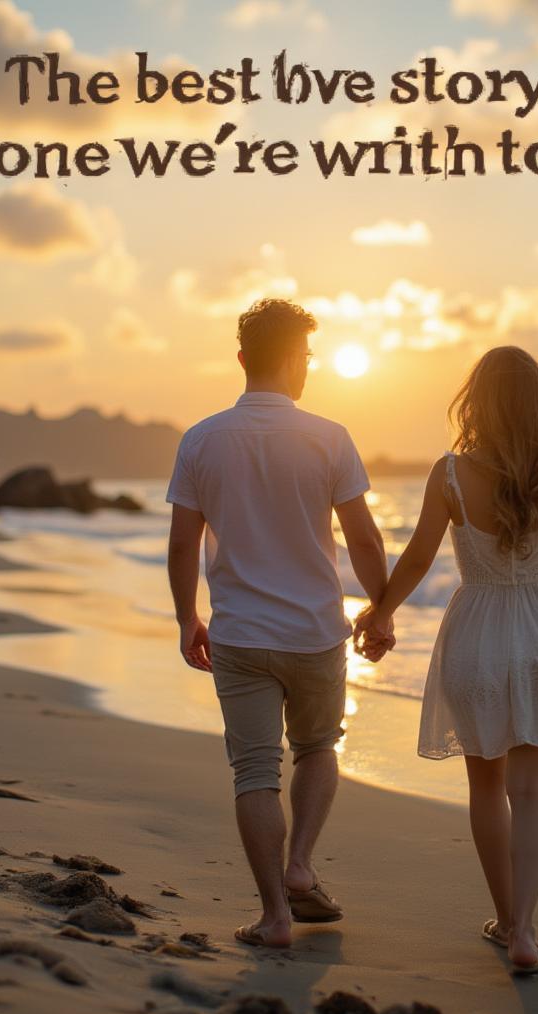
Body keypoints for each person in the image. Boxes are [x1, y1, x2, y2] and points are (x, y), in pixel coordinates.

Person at [355, 345, 538, 974]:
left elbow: (420, 558)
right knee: (532, 791)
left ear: (476, 399)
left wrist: (380, 613)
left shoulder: (450, 472)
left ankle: (506, 922)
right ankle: (527, 932)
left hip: (477, 634)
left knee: (486, 787)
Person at [166, 298, 390, 949]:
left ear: (242, 359)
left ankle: (274, 917)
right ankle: (300, 866)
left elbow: (183, 545)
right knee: (320, 747)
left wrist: (189, 618)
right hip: (316, 632)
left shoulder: (202, 439)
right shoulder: (329, 436)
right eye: (308, 357)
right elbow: (367, 541)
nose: (309, 367)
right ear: (297, 360)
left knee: (255, 773)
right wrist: (381, 608)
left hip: (238, 634)